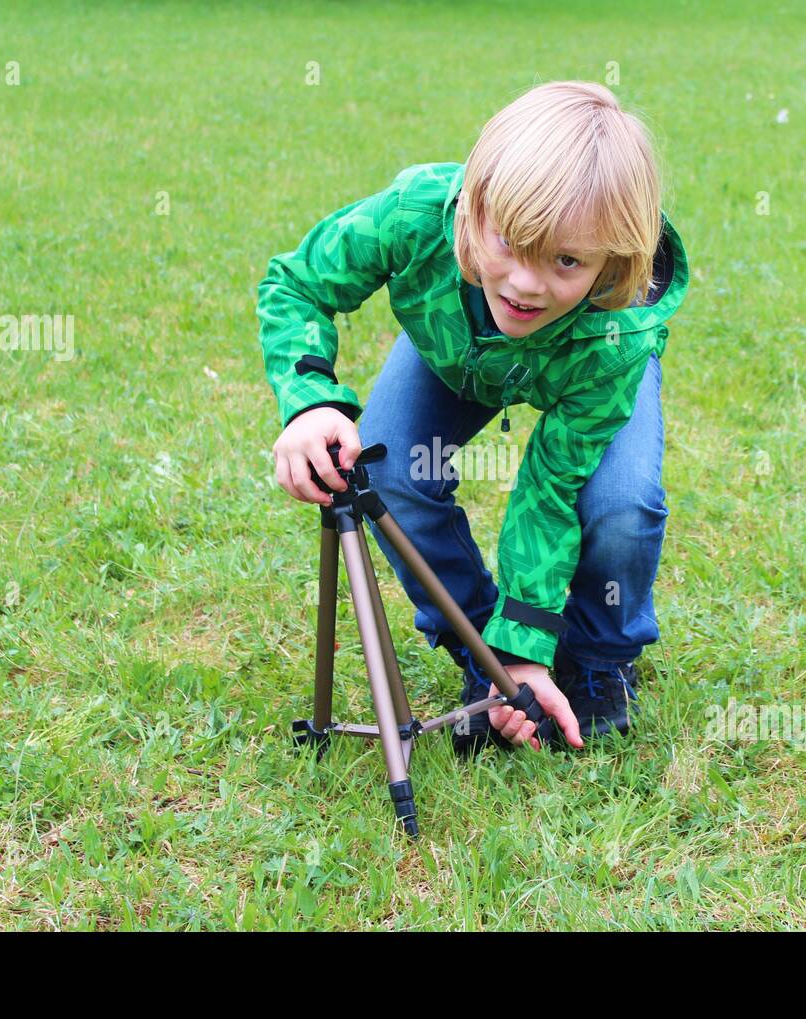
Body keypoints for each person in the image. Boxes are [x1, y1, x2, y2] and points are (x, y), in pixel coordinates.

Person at [259, 80, 689, 757]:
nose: (524, 283)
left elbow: (546, 495)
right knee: (392, 472)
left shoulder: (620, 334)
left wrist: (532, 637)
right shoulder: (413, 213)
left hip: (580, 366)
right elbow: (298, 284)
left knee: (619, 503)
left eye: (567, 260)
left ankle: (600, 660)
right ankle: (485, 660)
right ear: (474, 204)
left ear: (613, 260)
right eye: (510, 243)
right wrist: (310, 400)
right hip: (450, 351)